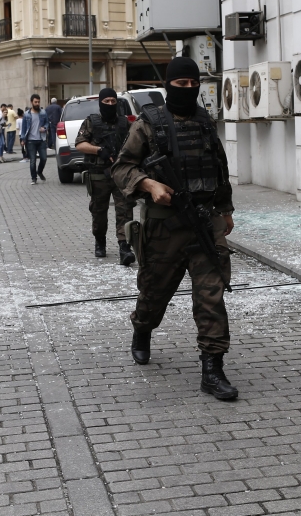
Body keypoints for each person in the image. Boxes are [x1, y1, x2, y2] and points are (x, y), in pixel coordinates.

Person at [112, 57, 238, 401]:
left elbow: (219, 167)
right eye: (180, 85)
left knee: (211, 296)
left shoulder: (204, 121)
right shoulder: (148, 124)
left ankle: (212, 368)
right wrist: (149, 184)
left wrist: (225, 211)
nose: (187, 90)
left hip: (205, 221)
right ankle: (142, 329)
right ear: (168, 85)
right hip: (164, 228)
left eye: (192, 84)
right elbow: (122, 169)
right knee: (154, 295)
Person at [75, 88, 136, 264]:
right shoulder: (91, 122)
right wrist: (98, 150)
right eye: (106, 101)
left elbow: (136, 141)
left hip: (120, 175)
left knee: (125, 211)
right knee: (99, 212)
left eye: (113, 101)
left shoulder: (125, 123)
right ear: (100, 103)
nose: (110, 104)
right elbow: (80, 144)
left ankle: (124, 246)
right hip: (98, 176)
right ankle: (100, 240)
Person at [19, 94, 50, 185]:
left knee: (44, 158)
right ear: (31, 102)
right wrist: (22, 139)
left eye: (38, 102)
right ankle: (34, 178)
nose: (37, 103)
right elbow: (24, 128)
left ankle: (39, 171)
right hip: (30, 141)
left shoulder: (43, 112)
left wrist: (44, 128)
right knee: (32, 160)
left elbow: (47, 123)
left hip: (41, 139)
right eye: (35, 102)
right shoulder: (27, 114)